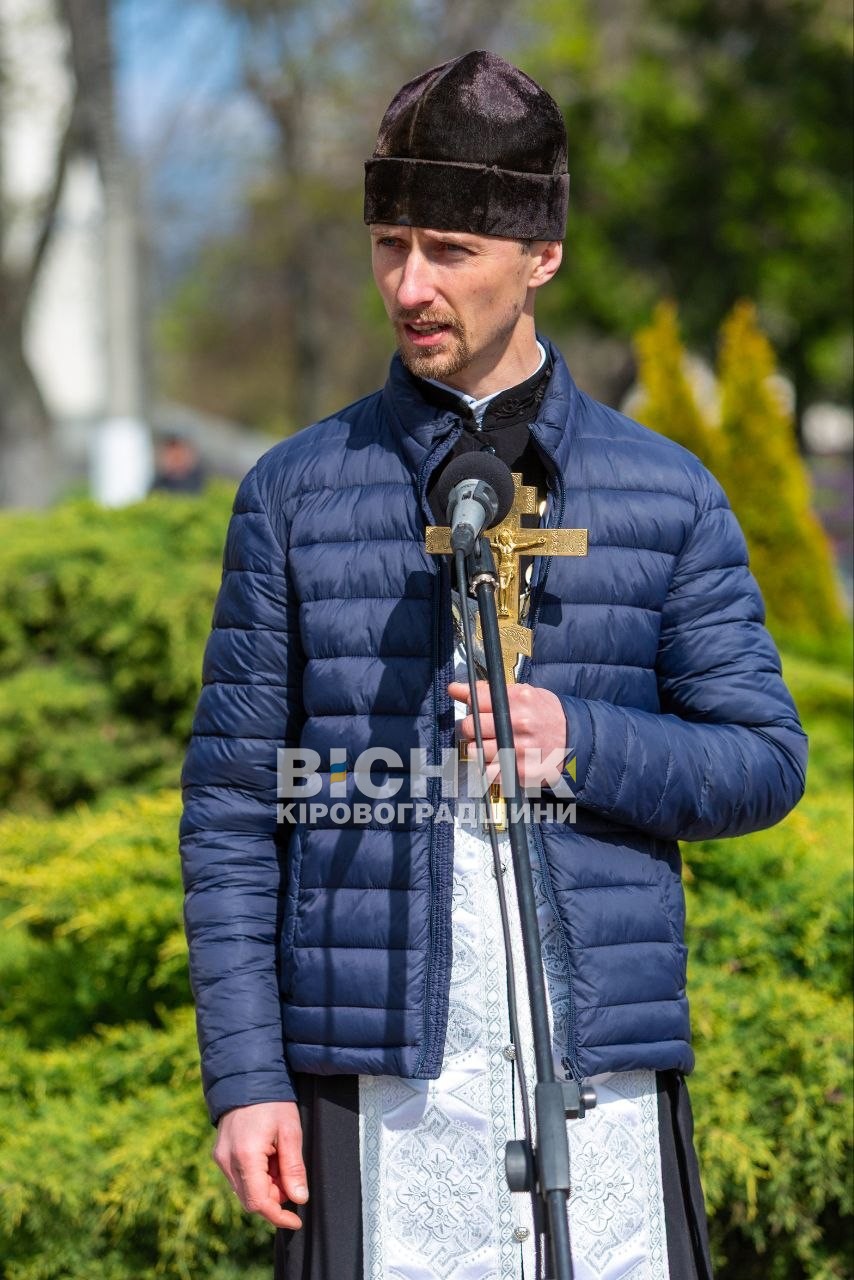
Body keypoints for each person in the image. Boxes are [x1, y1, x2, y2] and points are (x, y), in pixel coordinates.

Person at [179, 51, 807, 1280]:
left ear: (540, 255)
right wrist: (246, 1076)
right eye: (389, 245)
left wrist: (579, 741)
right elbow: (233, 807)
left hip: (597, 1085)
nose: (408, 285)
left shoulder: (665, 492)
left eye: (450, 250)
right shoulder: (292, 494)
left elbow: (762, 759)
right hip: (377, 1087)